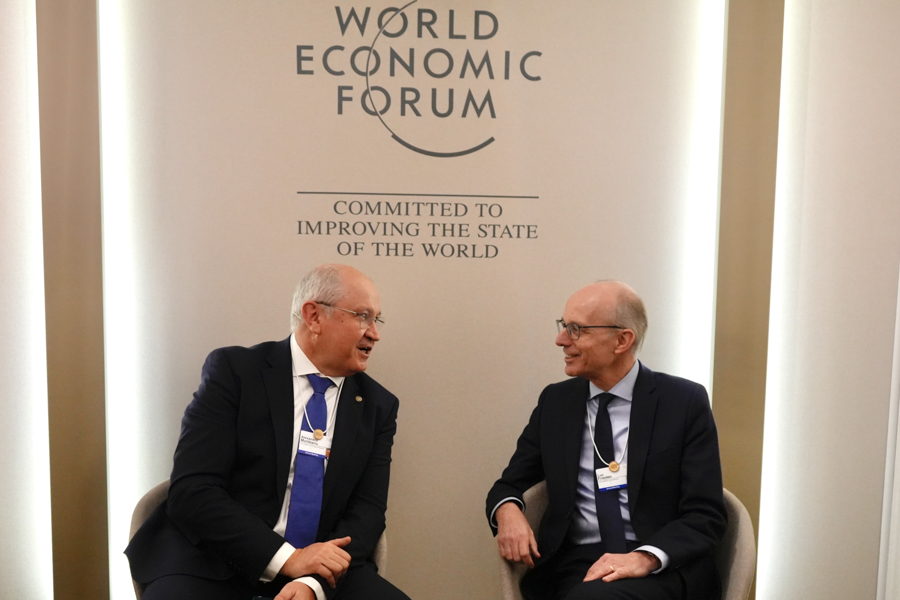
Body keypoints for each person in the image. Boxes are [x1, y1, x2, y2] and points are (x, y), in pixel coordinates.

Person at [126, 264, 410, 600]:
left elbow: (367, 512)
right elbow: (193, 490)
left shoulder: (377, 406)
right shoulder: (236, 373)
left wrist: (312, 582)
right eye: (363, 316)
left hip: (320, 571)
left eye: (377, 320)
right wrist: (288, 559)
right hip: (215, 559)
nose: (374, 333)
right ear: (314, 316)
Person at [486, 281, 727, 600]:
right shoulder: (556, 403)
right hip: (577, 564)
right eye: (563, 326)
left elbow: (705, 514)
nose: (561, 340)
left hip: (657, 565)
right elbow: (509, 485)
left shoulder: (683, 402)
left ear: (622, 340)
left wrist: (645, 558)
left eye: (576, 329)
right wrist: (508, 512)